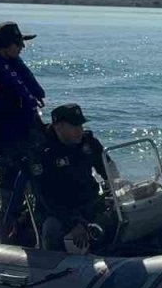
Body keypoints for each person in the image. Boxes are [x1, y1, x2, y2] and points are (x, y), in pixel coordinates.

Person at [0, 21, 45, 244]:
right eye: (18, 43)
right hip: (8, 150)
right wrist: (16, 151)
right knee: (9, 199)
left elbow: (28, 110)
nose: (22, 47)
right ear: (5, 47)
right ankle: (5, 242)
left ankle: (36, 235)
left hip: (30, 143)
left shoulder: (13, 71)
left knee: (41, 193)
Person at [26, 104, 112, 253]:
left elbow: (108, 168)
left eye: (81, 125)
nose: (79, 130)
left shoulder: (88, 142)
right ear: (58, 127)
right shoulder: (42, 151)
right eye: (74, 126)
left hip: (87, 200)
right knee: (51, 229)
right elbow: (45, 196)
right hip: (57, 209)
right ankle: (52, 261)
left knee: (114, 214)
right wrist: (72, 223)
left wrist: (117, 187)